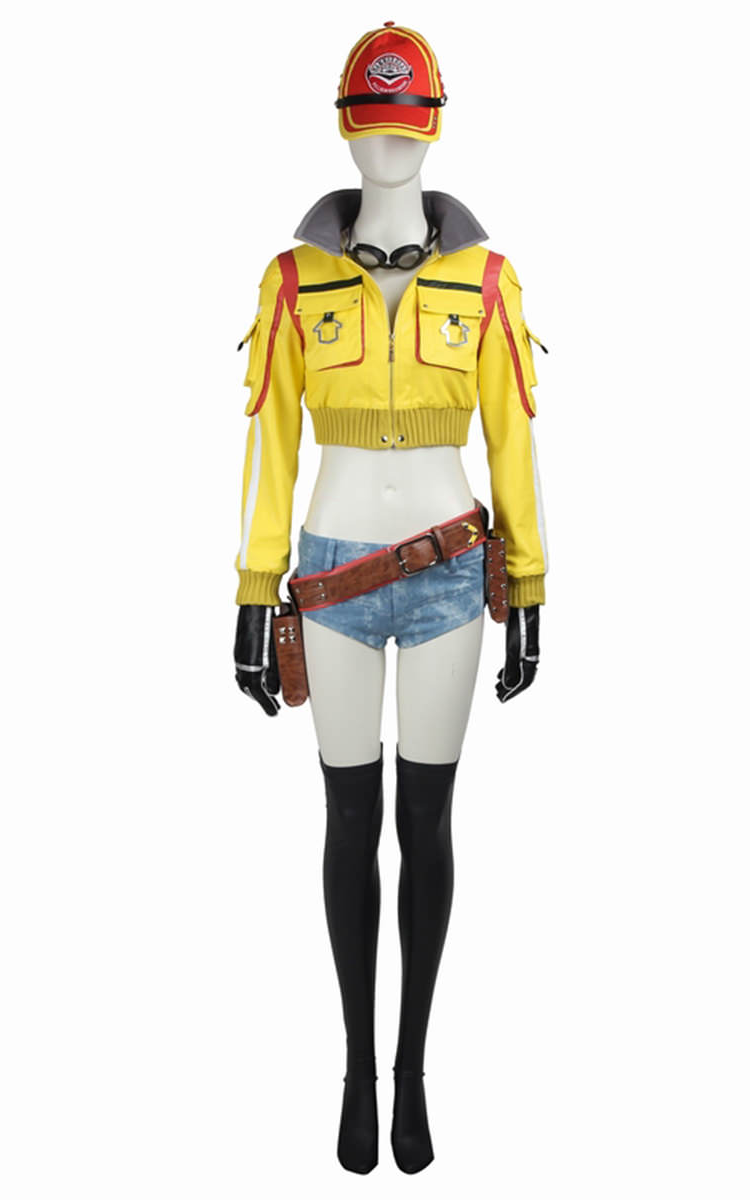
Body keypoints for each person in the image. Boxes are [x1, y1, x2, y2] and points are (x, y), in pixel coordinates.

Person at [232, 23, 549, 1174]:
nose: (388, 148)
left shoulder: (487, 282)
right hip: (329, 575)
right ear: (344, 128)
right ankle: (355, 1075)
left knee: (426, 822)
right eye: (371, 127)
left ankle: (411, 1071)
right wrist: (253, 588)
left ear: (433, 129)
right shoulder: (292, 282)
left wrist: (528, 581)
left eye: (404, 127)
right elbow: (270, 444)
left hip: (452, 572)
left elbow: (511, 438)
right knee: (347, 822)